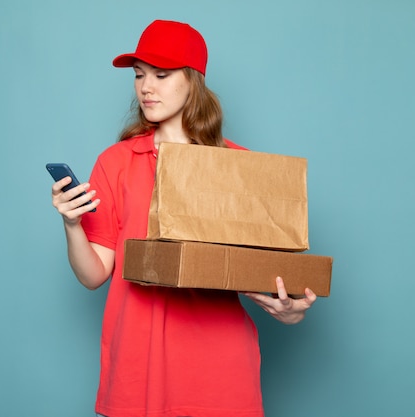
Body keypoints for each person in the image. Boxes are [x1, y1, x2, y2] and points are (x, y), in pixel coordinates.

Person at [51, 19, 317, 417]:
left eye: (161, 75)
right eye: (140, 75)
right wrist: (72, 225)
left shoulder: (237, 166)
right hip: (138, 368)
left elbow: (264, 270)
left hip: (220, 367)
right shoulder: (117, 162)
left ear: (193, 81)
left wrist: (292, 308)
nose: (146, 87)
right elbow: (94, 275)